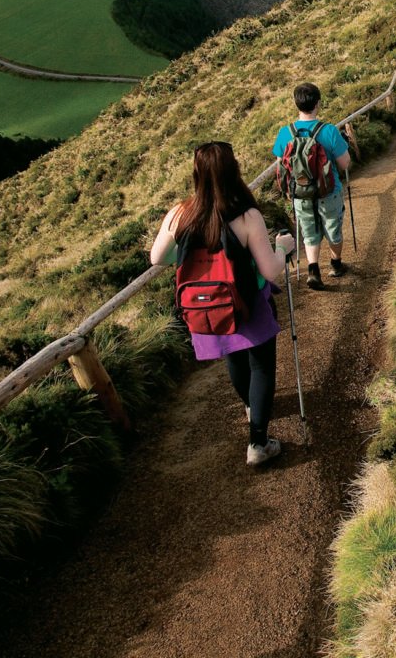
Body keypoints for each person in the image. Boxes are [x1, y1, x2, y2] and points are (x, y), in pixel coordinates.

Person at [150, 141, 296, 467]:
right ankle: (258, 442)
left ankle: (249, 408)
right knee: (261, 366)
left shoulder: (179, 213)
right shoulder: (246, 216)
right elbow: (272, 270)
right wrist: (282, 247)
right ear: (234, 170)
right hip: (247, 302)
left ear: (196, 173)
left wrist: (192, 259)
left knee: (234, 356)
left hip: (206, 306)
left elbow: (156, 257)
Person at [272, 81, 356, 291]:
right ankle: (336, 265)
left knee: (309, 233)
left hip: (300, 194)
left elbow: (280, 166)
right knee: (333, 228)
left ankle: (313, 270)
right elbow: (345, 163)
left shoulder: (285, 133)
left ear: (296, 104)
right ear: (318, 103)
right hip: (328, 191)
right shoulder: (328, 131)